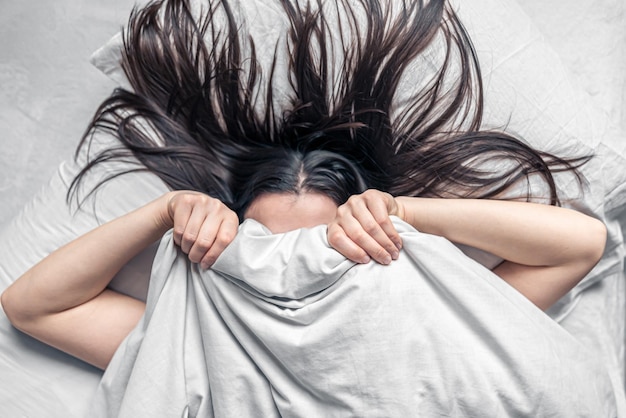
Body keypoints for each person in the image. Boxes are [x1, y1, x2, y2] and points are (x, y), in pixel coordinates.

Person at [0, 0, 608, 371]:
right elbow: (32, 306)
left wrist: (406, 213)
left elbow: (580, 244)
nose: (291, 273)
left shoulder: (435, 328)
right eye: (265, 247)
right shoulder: (204, 344)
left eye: (323, 247)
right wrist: (166, 210)